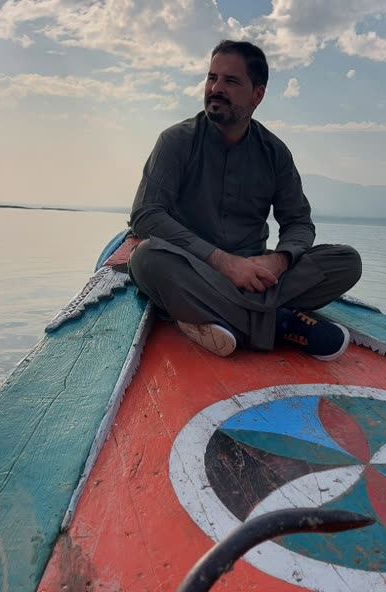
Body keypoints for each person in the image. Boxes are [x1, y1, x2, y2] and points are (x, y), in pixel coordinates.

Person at [127, 40, 363, 360]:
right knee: (146, 259)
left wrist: (278, 261)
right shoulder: (176, 141)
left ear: (258, 94)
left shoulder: (274, 153)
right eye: (212, 78)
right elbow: (146, 215)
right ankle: (280, 323)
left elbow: (298, 222)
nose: (216, 88)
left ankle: (217, 315)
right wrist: (224, 263)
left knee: (345, 262)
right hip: (194, 268)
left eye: (231, 81)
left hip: (256, 276)